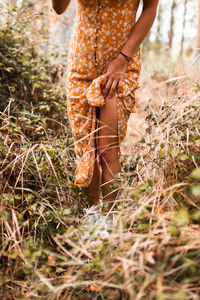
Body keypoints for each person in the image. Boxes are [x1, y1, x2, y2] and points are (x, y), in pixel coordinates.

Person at [52, 0, 159, 219]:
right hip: (81, 65)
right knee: (86, 150)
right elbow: (59, 8)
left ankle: (109, 223)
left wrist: (122, 59)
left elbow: (150, 9)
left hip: (119, 67)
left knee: (106, 149)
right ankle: (91, 217)